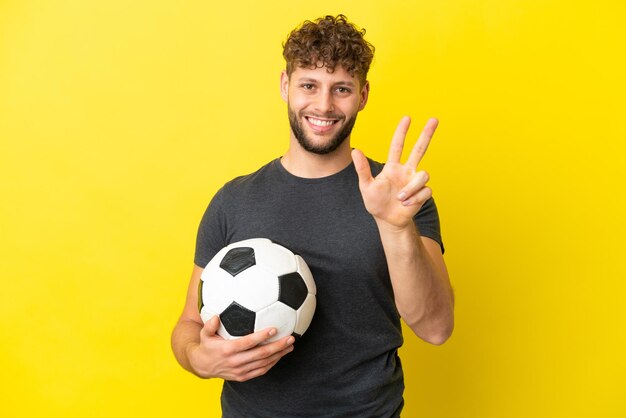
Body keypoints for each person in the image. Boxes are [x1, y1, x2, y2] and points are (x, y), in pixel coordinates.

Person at [171, 14, 454, 417]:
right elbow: (188, 326)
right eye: (309, 85)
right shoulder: (233, 201)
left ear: (364, 95)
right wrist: (198, 359)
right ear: (285, 85)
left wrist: (396, 227)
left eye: (341, 89)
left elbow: (436, 328)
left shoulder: (400, 197)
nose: (323, 105)